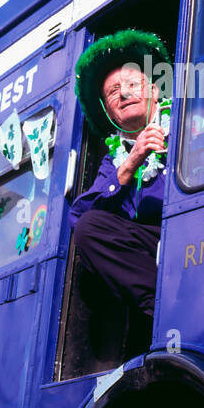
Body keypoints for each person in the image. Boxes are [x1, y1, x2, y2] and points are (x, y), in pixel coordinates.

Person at [70, 30, 170, 345]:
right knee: (89, 227)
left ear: (154, 90)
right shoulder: (114, 160)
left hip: (197, 233)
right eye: (113, 91)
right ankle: (162, 308)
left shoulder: (187, 120)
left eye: (131, 84)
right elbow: (80, 220)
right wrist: (131, 163)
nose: (124, 93)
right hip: (149, 256)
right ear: (109, 110)